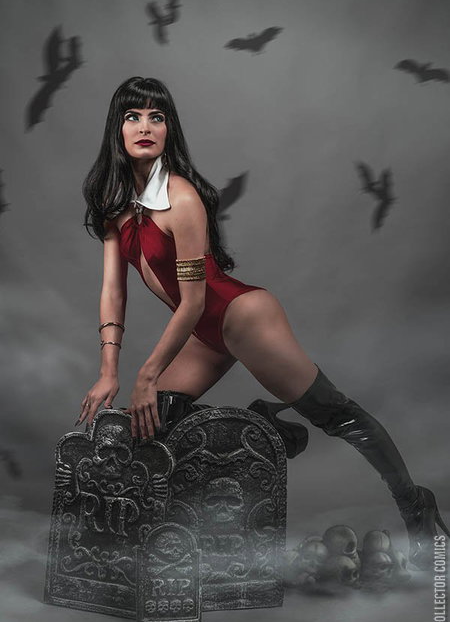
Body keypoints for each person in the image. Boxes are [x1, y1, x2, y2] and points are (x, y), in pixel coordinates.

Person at [77, 76, 448, 570]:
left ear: (169, 129)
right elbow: (113, 291)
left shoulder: (181, 199)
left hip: (242, 316)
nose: (145, 127)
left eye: (156, 117)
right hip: (203, 333)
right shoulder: (115, 208)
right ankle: (263, 427)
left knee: (333, 413)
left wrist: (145, 373)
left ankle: (417, 507)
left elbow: (193, 303)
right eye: (133, 116)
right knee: (153, 425)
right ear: (117, 128)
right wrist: (109, 371)